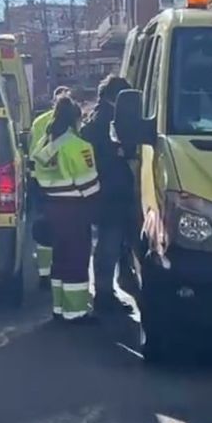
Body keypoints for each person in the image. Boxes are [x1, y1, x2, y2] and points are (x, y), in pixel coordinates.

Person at [31, 96, 100, 322]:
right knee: (76, 261)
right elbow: (89, 186)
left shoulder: (46, 144)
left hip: (52, 207)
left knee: (59, 261)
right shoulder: (79, 146)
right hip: (75, 211)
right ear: (75, 120)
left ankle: (59, 309)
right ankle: (76, 313)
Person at [80, 75, 134, 311]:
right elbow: (111, 154)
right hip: (112, 191)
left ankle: (106, 289)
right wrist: (123, 153)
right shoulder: (107, 120)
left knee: (108, 243)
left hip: (103, 190)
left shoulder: (95, 117)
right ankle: (104, 293)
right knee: (109, 243)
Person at [29, 86, 70, 289]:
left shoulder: (38, 122)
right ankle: (59, 273)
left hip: (39, 183)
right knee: (62, 230)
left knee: (43, 229)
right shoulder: (69, 123)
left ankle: (44, 274)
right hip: (64, 185)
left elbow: (32, 154)